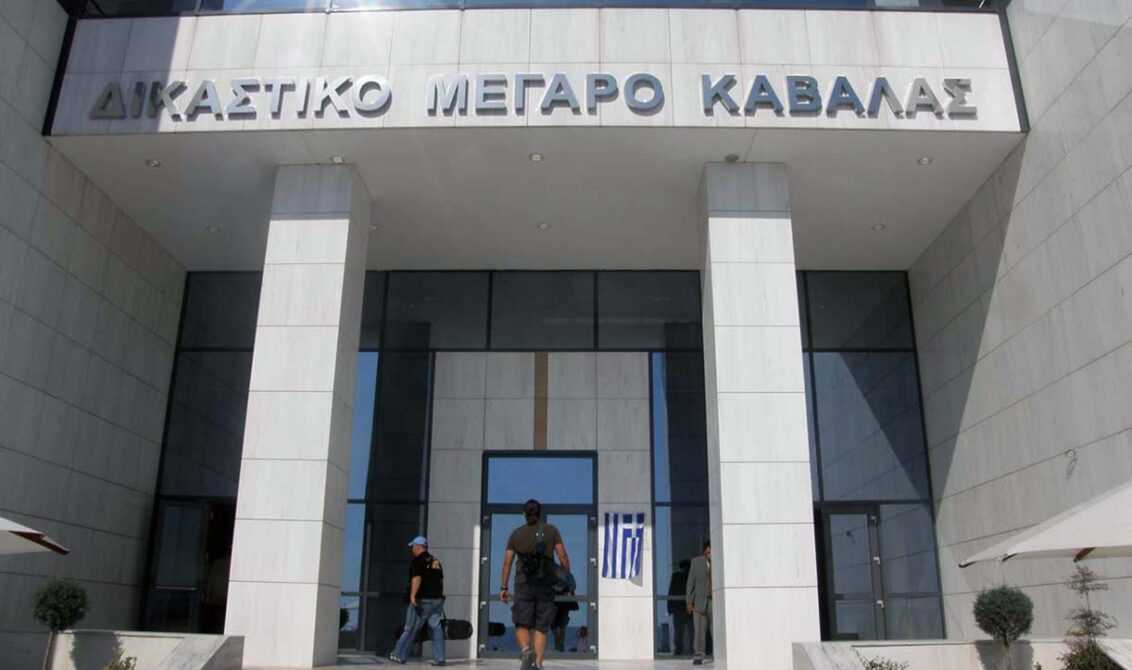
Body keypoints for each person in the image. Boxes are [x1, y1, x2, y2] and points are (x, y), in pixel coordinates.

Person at [500, 499, 570, 670]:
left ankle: (526, 651)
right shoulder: (551, 531)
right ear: (540, 513)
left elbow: (507, 563)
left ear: (524, 514)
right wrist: (566, 579)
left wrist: (504, 587)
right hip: (545, 585)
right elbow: (562, 556)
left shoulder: (516, 534)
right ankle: (538, 664)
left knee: (521, 623)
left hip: (523, 584)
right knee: (541, 626)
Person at [390, 536, 446, 666]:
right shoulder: (436, 561)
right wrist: (440, 596)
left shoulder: (417, 561)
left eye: (413, 547)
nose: (412, 549)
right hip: (437, 600)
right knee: (436, 628)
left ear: (418, 547)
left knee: (410, 627)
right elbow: (440, 580)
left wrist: (412, 596)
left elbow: (417, 578)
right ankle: (440, 659)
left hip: (423, 600)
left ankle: (398, 654)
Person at [685, 541, 712, 666]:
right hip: (700, 602)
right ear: (705, 551)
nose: (710, 553)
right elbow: (690, 583)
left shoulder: (719, 561)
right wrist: (689, 602)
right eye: (708, 551)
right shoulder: (696, 562)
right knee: (700, 630)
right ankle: (698, 655)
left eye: (711, 551)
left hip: (715, 602)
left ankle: (722, 653)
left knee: (716, 629)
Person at [667, 559, 692, 656]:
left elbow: (671, 592)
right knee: (686, 632)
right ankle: (687, 650)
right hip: (685, 608)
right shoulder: (683, 576)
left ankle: (679, 650)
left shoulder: (677, 576)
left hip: (682, 608)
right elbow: (671, 591)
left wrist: (669, 608)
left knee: (680, 632)